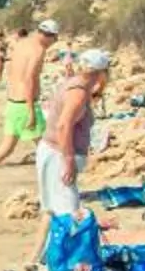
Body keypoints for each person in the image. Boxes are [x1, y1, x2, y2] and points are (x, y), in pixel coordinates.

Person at [0, 17, 58, 203]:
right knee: (48, 148)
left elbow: (12, 71)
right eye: (54, 39)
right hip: (25, 104)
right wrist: (32, 110)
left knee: (5, 149)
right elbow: (30, 79)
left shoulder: (21, 44)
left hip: (13, 102)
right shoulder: (38, 50)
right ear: (49, 36)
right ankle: (52, 191)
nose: (53, 43)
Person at [34, 48, 111, 221]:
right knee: (69, 213)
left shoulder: (76, 84)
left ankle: (42, 249)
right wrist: (68, 160)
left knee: (52, 212)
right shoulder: (79, 93)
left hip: (52, 152)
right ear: (100, 73)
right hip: (57, 156)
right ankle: (66, 248)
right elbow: (64, 125)